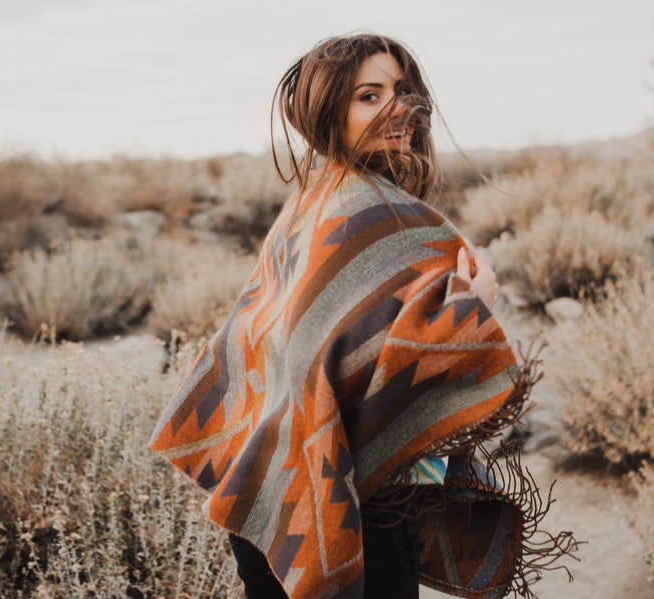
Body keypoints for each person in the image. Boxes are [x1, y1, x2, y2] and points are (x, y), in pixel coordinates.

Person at [149, 33, 572, 599]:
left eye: (402, 91)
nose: (399, 109)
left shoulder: (311, 202)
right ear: (330, 112)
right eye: (369, 96)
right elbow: (389, 373)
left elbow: (311, 357)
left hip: (275, 497)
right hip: (353, 509)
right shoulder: (372, 214)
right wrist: (473, 308)